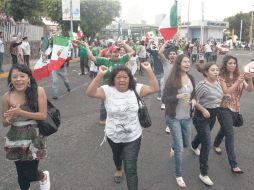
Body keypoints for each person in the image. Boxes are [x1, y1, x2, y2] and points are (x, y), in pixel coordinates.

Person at [85, 63, 159, 190]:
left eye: (125, 77)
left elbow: (154, 88)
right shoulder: (107, 90)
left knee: (131, 168)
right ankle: (118, 168)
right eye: (118, 77)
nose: (122, 80)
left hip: (133, 136)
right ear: (113, 79)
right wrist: (100, 75)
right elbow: (90, 93)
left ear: (130, 78)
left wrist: (149, 70)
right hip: (113, 135)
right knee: (117, 156)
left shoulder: (136, 88)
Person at [2, 64, 50, 190]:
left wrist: (20, 113)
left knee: (30, 173)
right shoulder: (7, 96)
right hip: (15, 136)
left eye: (22, 76)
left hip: (33, 136)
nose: (18, 79)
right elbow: (4, 123)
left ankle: (43, 176)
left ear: (28, 78)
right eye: (15, 77)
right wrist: (11, 118)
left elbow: (43, 115)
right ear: (11, 79)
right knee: (21, 172)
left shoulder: (38, 91)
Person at [213, 55, 253, 173]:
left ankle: (215, 144)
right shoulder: (221, 77)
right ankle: (234, 165)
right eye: (230, 63)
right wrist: (237, 82)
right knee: (230, 135)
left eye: (234, 63)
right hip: (223, 108)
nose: (233, 65)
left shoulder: (239, 76)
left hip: (235, 108)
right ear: (225, 64)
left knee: (225, 130)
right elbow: (226, 91)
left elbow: (250, 90)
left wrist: (249, 80)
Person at [162, 54, 196, 188]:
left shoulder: (191, 78)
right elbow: (165, 99)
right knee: (180, 149)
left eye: (188, 62)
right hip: (173, 117)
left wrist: (194, 100)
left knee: (186, 143)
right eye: (184, 62)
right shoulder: (172, 80)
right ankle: (178, 175)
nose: (187, 64)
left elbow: (194, 94)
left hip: (187, 117)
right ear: (178, 64)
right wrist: (178, 96)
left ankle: (174, 146)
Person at [83, 40, 135, 125]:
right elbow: (92, 57)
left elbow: (132, 52)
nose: (117, 53)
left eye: (118, 51)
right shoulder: (105, 61)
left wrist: (124, 44)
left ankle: (118, 117)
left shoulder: (122, 59)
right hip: (107, 88)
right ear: (109, 53)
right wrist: (86, 46)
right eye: (114, 52)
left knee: (120, 103)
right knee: (104, 104)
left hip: (120, 88)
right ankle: (103, 119)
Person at [191, 63, 223, 186]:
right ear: (206, 72)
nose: (216, 72)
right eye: (213, 70)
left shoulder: (218, 82)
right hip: (201, 117)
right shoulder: (202, 86)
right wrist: (203, 110)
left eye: (217, 70)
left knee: (203, 136)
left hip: (212, 115)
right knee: (207, 143)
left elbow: (218, 97)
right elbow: (192, 100)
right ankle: (203, 173)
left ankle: (193, 145)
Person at [159, 40, 177, 133]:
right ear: (168, 56)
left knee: (176, 108)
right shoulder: (166, 62)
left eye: (174, 54)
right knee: (168, 109)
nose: (172, 55)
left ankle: (176, 123)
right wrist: (165, 43)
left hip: (177, 90)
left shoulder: (179, 65)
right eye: (171, 54)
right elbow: (160, 52)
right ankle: (168, 125)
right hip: (167, 90)